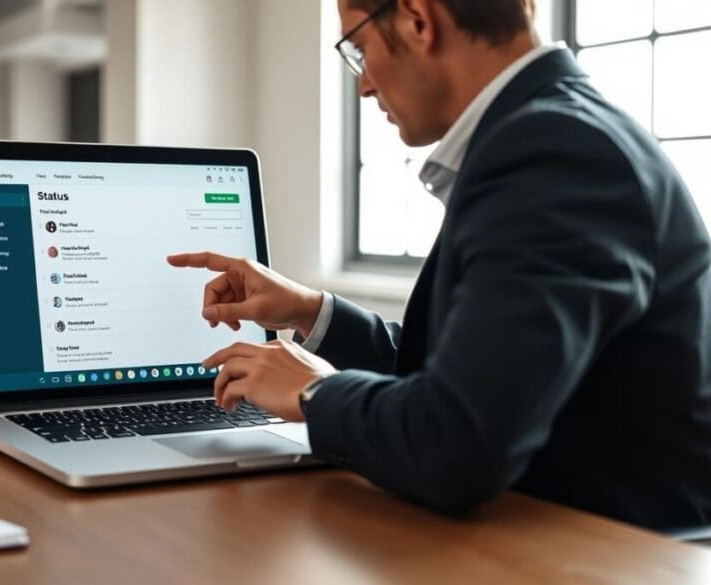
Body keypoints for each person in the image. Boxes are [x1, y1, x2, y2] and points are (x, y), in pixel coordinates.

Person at [168, 0, 711, 531]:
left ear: (418, 19)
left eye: (358, 49)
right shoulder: (551, 133)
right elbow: (463, 377)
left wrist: (315, 392)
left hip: (617, 556)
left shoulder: (555, 154)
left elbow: (454, 442)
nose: (363, 85)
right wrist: (310, 311)